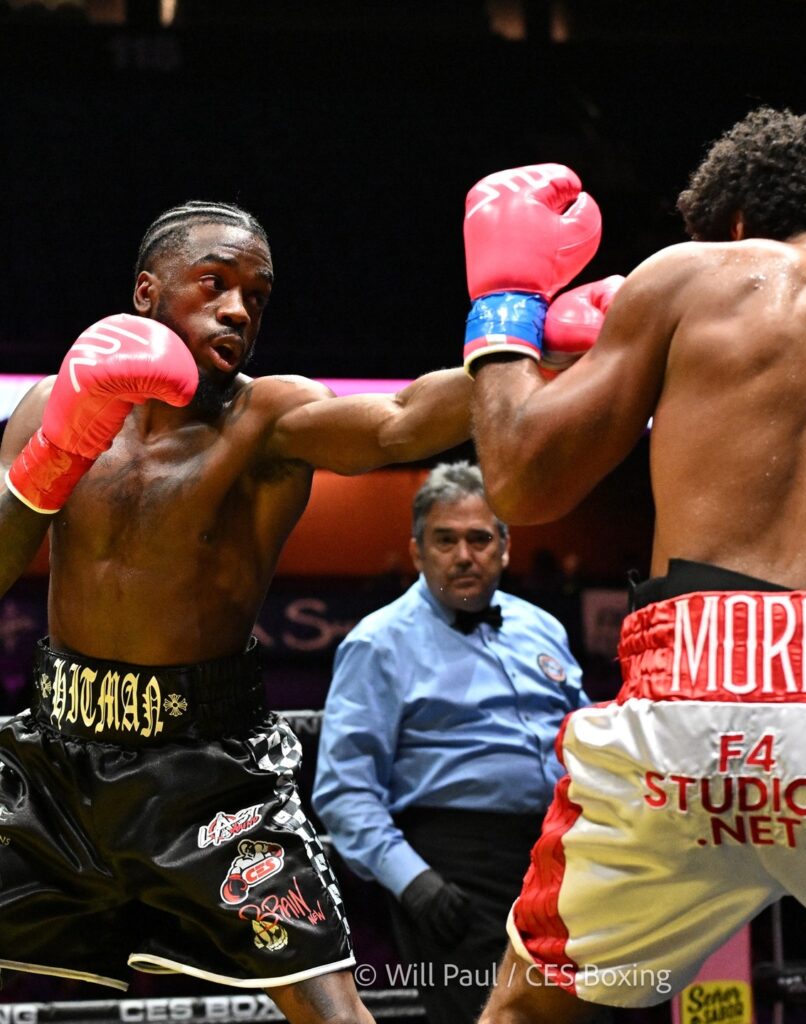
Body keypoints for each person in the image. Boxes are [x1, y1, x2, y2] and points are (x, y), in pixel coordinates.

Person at [458, 111, 806, 1020]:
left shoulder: (693, 277)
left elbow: (521, 478)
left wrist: (507, 304)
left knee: (530, 1010)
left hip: (685, 705)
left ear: (732, 224)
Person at [0, 199, 480, 1024]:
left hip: (209, 776)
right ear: (147, 294)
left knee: (331, 1010)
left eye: (256, 296)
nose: (237, 310)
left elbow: (403, 425)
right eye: (214, 284)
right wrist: (53, 457)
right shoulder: (53, 404)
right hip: (54, 757)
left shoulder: (269, 420)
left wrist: (517, 335)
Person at [312, 461, 591, 1024]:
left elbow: (587, 743)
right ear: (417, 552)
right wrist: (415, 884)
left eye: (480, 538)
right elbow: (344, 793)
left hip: (562, 858)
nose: (464, 555)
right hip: (455, 869)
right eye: (446, 540)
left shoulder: (544, 627)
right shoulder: (379, 643)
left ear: (506, 547)